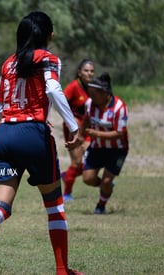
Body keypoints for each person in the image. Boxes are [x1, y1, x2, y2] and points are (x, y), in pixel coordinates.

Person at [0, 11, 84, 275]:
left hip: (4, 136)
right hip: (33, 135)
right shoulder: (48, 59)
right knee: (55, 206)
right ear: (50, 35)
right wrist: (73, 124)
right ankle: (61, 269)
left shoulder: (7, 63)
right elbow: (54, 90)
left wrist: (19, 115)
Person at [79, 72, 129, 214]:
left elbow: (120, 133)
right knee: (88, 178)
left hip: (117, 149)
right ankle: (106, 188)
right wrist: (81, 136)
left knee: (107, 181)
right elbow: (87, 119)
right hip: (97, 147)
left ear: (105, 93)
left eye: (94, 94)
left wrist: (97, 134)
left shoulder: (119, 107)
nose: (91, 97)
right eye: (90, 93)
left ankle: (101, 205)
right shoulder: (90, 104)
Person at [61, 59, 95, 202]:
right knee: (76, 162)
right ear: (79, 72)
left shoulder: (94, 87)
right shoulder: (74, 86)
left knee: (92, 160)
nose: (89, 73)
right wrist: (71, 120)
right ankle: (67, 194)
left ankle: (67, 175)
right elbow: (61, 103)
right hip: (72, 128)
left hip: (87, 128)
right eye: (86, 70)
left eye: (92, 71)